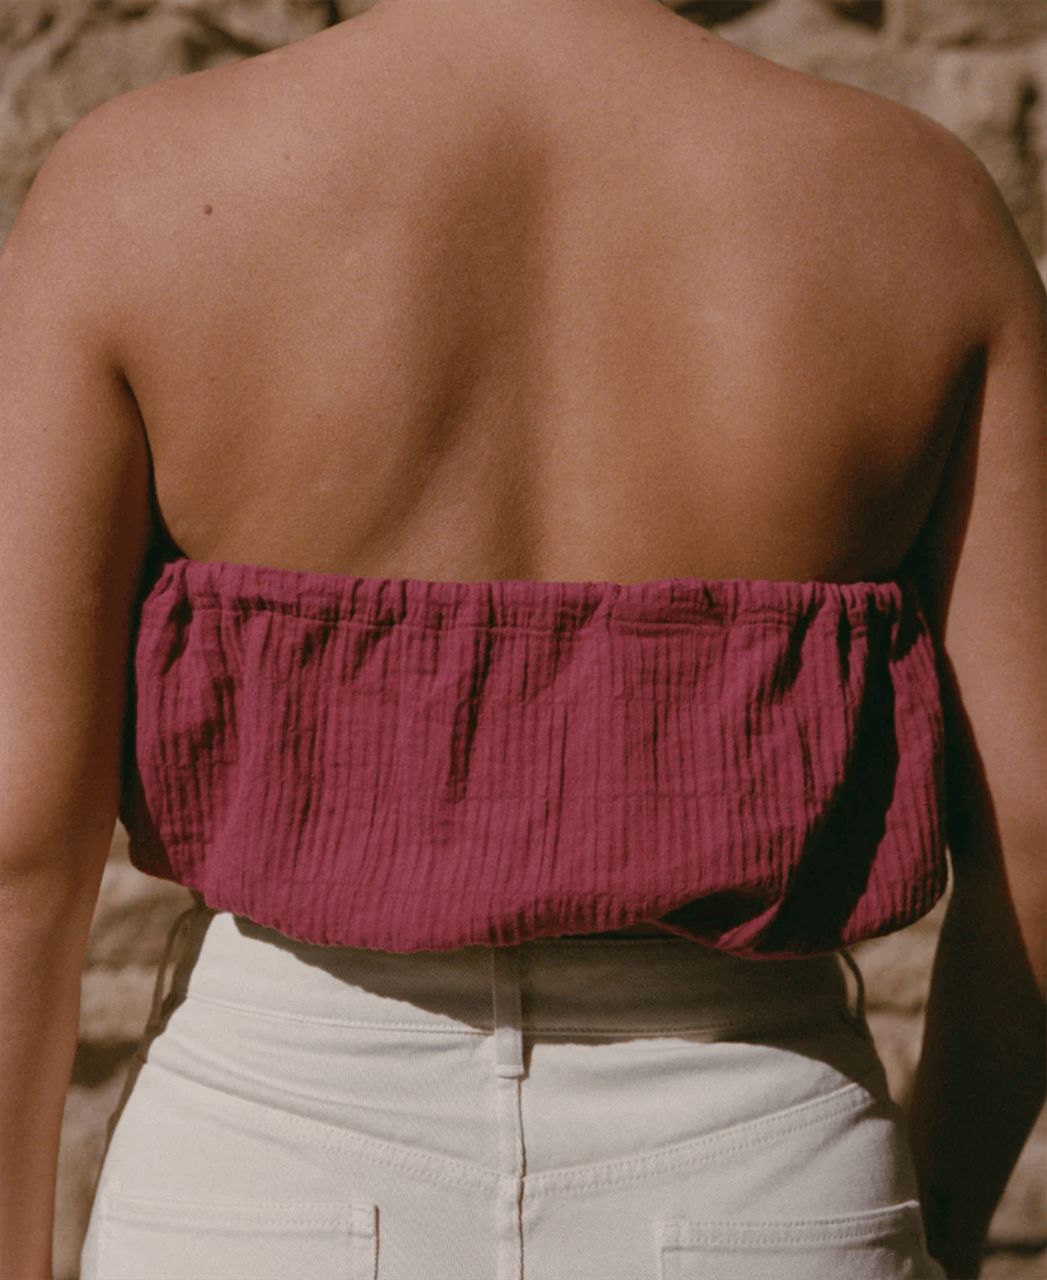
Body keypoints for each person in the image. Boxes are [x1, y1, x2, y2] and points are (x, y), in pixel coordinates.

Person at [1, 0, 1043, 1276]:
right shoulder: (919, 208)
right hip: (760, 1163)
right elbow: (1039, 833)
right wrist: (936, 1210)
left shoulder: (134, 191)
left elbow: (20, 843)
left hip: (266, 1166)